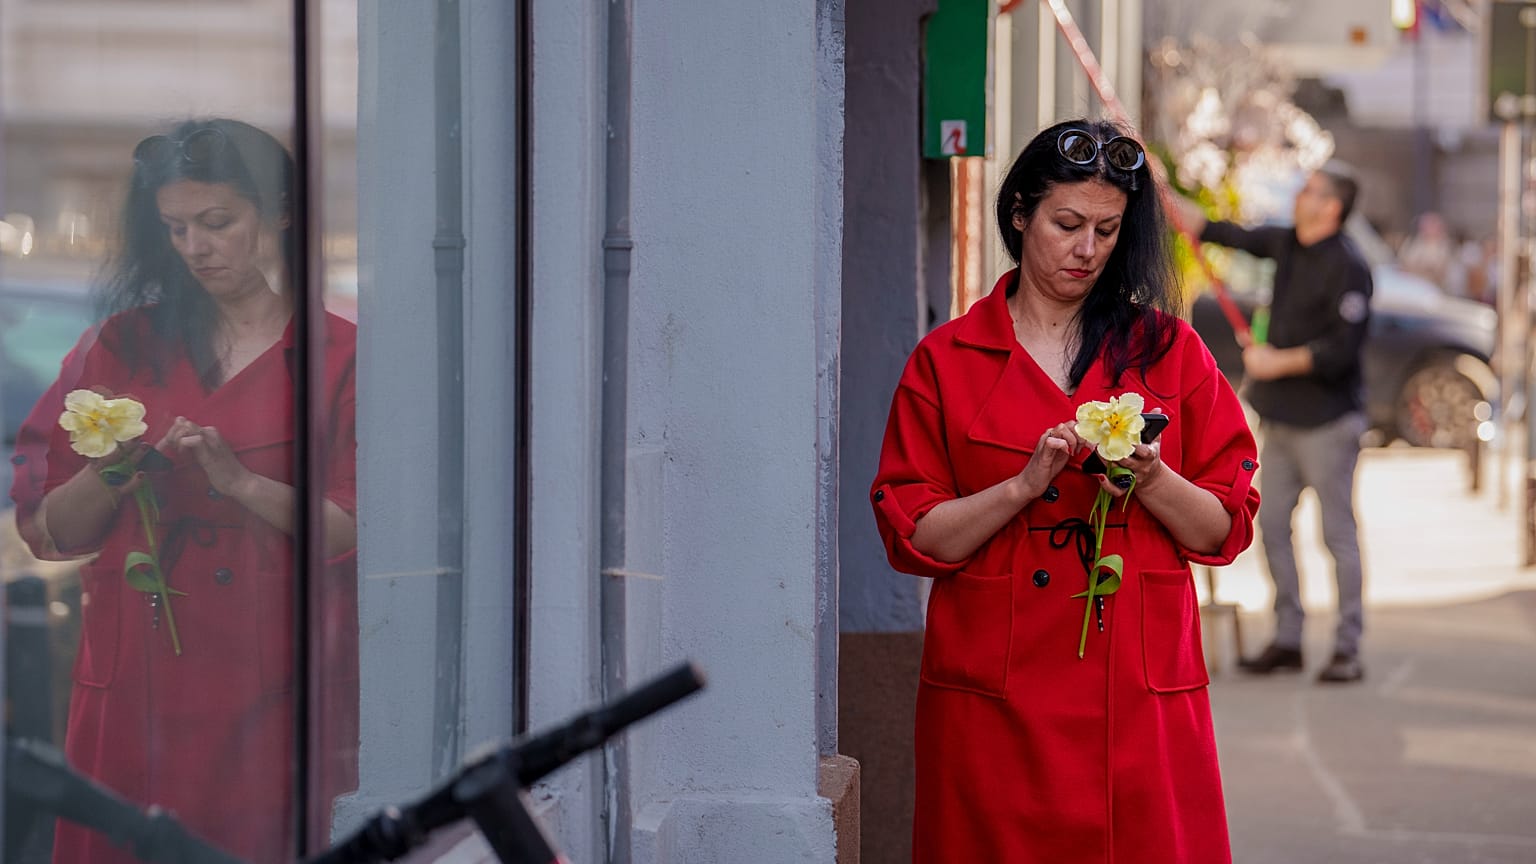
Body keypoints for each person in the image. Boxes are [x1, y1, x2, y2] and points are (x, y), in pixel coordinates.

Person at [871, 119, 1260, 862]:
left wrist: (1151, 476)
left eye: (1108, 230)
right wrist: (1022, 486)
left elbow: (1222, 530)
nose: (1087, 250)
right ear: (1019, 214)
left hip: (1135, 692)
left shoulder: (1169, 350)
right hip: (995, 694)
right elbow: (913, 537)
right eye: (1067, 224)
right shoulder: (946, 360)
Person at [8, 118, 358, 864]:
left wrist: (239, 483)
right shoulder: (122, 344)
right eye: (175, 229)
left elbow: (353, 529)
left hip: (265, 679)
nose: (195, 248)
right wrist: (114, 472)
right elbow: (46, 531)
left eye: (217, 223)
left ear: (280, 212)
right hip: (134, 675)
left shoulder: (338, 358)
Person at [1185, 163, 1372, 684]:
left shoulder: (1350, 267)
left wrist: (1277, 361)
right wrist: (1186, 213)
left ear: (1330, 207)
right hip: (1282, 420)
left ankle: (1346, 647)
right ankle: (1288, 637)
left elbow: (1342, 350)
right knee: (1270, 527)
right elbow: (1232, 236)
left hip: (1329, 422)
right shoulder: (1288, 243)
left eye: (1310, 191)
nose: (1300, 196)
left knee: (1336, 534)